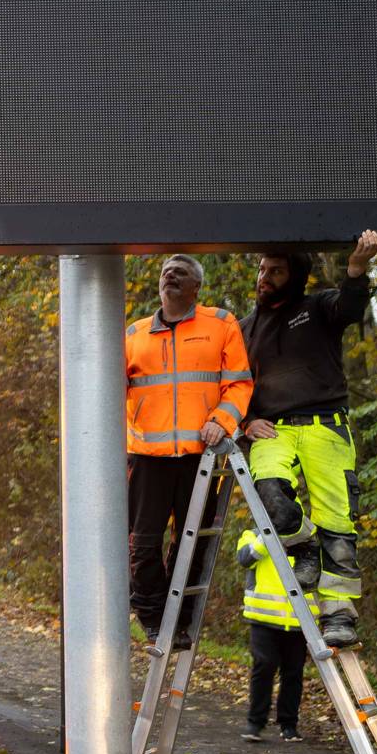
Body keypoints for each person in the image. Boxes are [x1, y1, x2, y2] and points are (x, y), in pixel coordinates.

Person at [241, 231, 377, 648]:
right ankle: (302, 547)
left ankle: (338, 614)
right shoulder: (245, 328)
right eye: (263, 270)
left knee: (338, 522)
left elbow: (350, 306)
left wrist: (356, 269)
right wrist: (247, 421)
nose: (265, 277)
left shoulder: (317, 306)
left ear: (295, 275)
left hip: (326, 425)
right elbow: (233, 384)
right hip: (273, 430)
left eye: (276, 271)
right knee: (268, 494)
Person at [125, 254, 252, 646]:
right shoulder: (134, 334)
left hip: (201, 455)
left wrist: (222, 420)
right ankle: (151, 615)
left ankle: (177, 622)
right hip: (147, 457)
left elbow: (240, 384)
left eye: (180, 273)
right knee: (141, 543)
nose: (170, 277)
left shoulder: (221, 324)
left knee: (192, 541)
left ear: (196, 287)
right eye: (165, 272)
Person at [233, 530, 314, 743]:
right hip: (263, 617)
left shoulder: (307, 536)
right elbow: (244, 559)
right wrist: (267, 535)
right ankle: (255, 723)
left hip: (298, 620)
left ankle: (288, 725)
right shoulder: (253, 534)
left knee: (293, 673)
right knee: (264, 665)